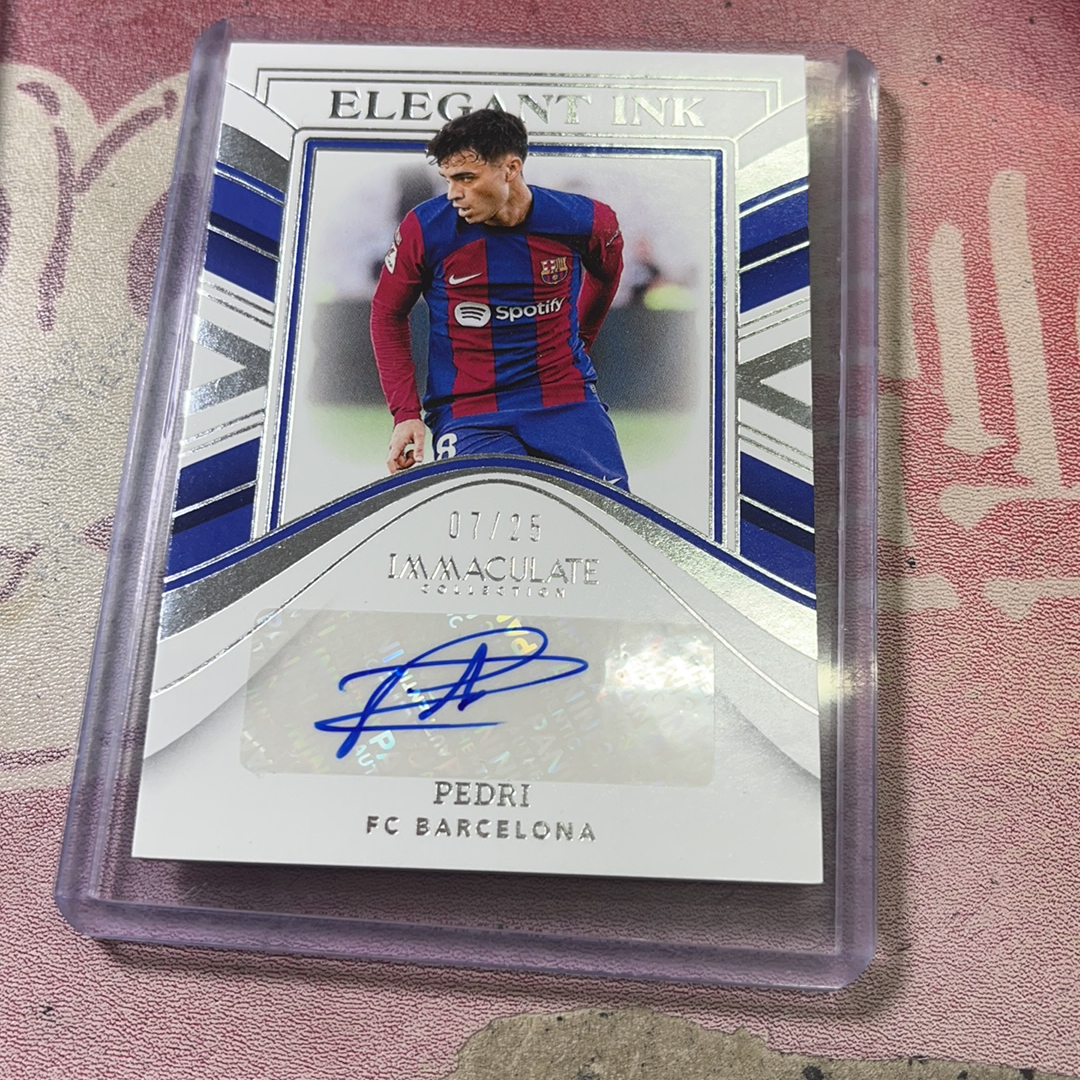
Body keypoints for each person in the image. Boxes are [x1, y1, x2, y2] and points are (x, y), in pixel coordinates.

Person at [370, 109, 630, 491]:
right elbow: (387, 313)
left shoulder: (586, 221)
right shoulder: (424, 229)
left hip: (566, 399)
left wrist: (582, 341)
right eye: (448, 179)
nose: (453, 193)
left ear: (511, 168)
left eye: (466, 178)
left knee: (609, 515)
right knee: (496, 511)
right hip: (469, 412)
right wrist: (406, 413)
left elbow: (607, 275)